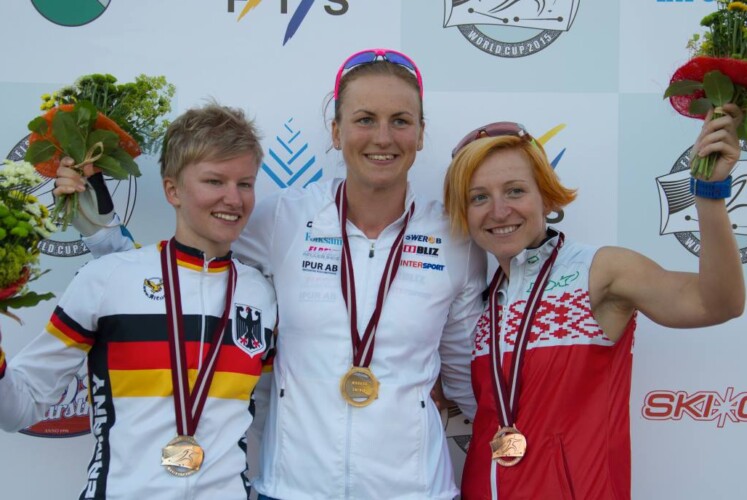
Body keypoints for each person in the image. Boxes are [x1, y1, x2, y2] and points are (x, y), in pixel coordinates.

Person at [57, 49, 488, 499]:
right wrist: (102, 232)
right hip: (293, 487)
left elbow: (466, 374)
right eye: (364, 119)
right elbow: (184, 278)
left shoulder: (454, 238)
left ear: (420, 134)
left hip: (415, 489)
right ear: (336, 132)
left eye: (400, 120)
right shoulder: (284, 218)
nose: (383, 137)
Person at [442, 106, 746, 499]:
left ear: (546, 196)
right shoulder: (475, 304)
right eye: (479, 197)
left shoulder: (599, 272)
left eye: (515, 191)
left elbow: (717, 303)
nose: (499, 211)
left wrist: (709, 195)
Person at [0, 102, 277, 499]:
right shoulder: (108, 279)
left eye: (245, 184)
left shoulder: (260, 295)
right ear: (172, 190)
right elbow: (18, 410)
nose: (233, 199)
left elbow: (267, 420)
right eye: (215, 181)